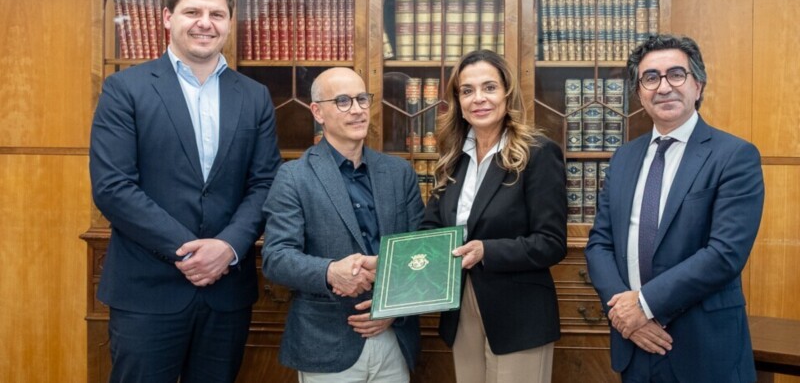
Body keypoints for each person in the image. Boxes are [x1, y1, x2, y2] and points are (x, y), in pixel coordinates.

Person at [89, 0, 282, 383]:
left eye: (217, 14)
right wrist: (191, 253)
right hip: (147, 290)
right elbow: (113, 187)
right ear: (167, 18)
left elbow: (265, 183)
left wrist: (227, 247)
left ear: (229, 22)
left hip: (226, 293)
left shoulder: (254, 95)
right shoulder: (124, 89)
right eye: (192, 12)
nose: (205, 23)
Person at [584, 34, 765, 382]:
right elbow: (599, 244)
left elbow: (724, 254)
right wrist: (625, 313)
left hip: (703, 348)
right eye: (651, 78)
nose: (664, 87)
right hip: (634, 343)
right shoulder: (624, 158)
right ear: (639, 93)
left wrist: (644, 305)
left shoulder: (734, 156)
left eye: (676, 74)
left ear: (698, 85)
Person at [261, 67, 424, 382]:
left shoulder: (399, 173)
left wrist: (393, 308)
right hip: (326, 343)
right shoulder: (293, 176)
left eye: (362, 99)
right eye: (343, 101)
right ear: (317, 112)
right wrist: (329, 271)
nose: (358, 109)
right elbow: (276, 257)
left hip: (394, 336)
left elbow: (420, 249)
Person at [421, 50, 567, 383]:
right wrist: (396, 263)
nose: (478, 98)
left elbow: (551, 242)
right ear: (458, 101)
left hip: (519, 314)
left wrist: (486, 250)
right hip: (460, 304)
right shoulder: (453, 156)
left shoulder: (538, 153)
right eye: (467, 90)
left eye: (489, 87)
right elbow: (431, 228)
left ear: (507, 93)